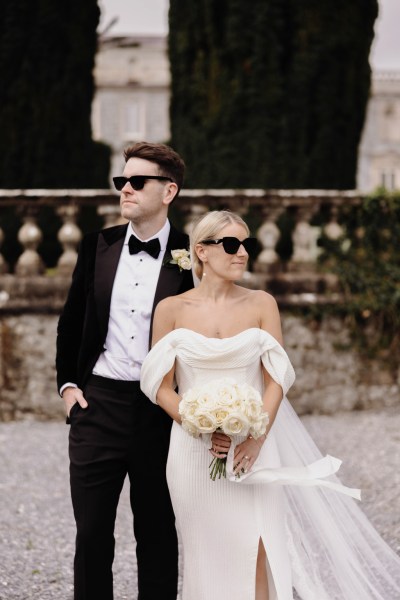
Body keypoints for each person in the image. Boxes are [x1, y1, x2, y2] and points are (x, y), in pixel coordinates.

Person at [140, 210, 400, 600]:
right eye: (231, 244)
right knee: (203, 553)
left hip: (254, 446)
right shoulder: (171, 310)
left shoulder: (262, 303)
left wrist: (256, 438)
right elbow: (160, 386)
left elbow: (276, 377)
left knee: (258, 548)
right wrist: (200, 424)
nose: (242, 253)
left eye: (248, 245)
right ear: (202, 252)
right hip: (193, 453)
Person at [55, 141, 194, 600]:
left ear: (168, 190)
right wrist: (69, 387)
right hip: (98, 406)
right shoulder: (99, 245)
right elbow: (72, 320)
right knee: (92, 533)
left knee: (156, 532)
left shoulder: (192, 253)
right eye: (123, 181)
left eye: (138, 181)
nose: (126, 189)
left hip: (160, 409)